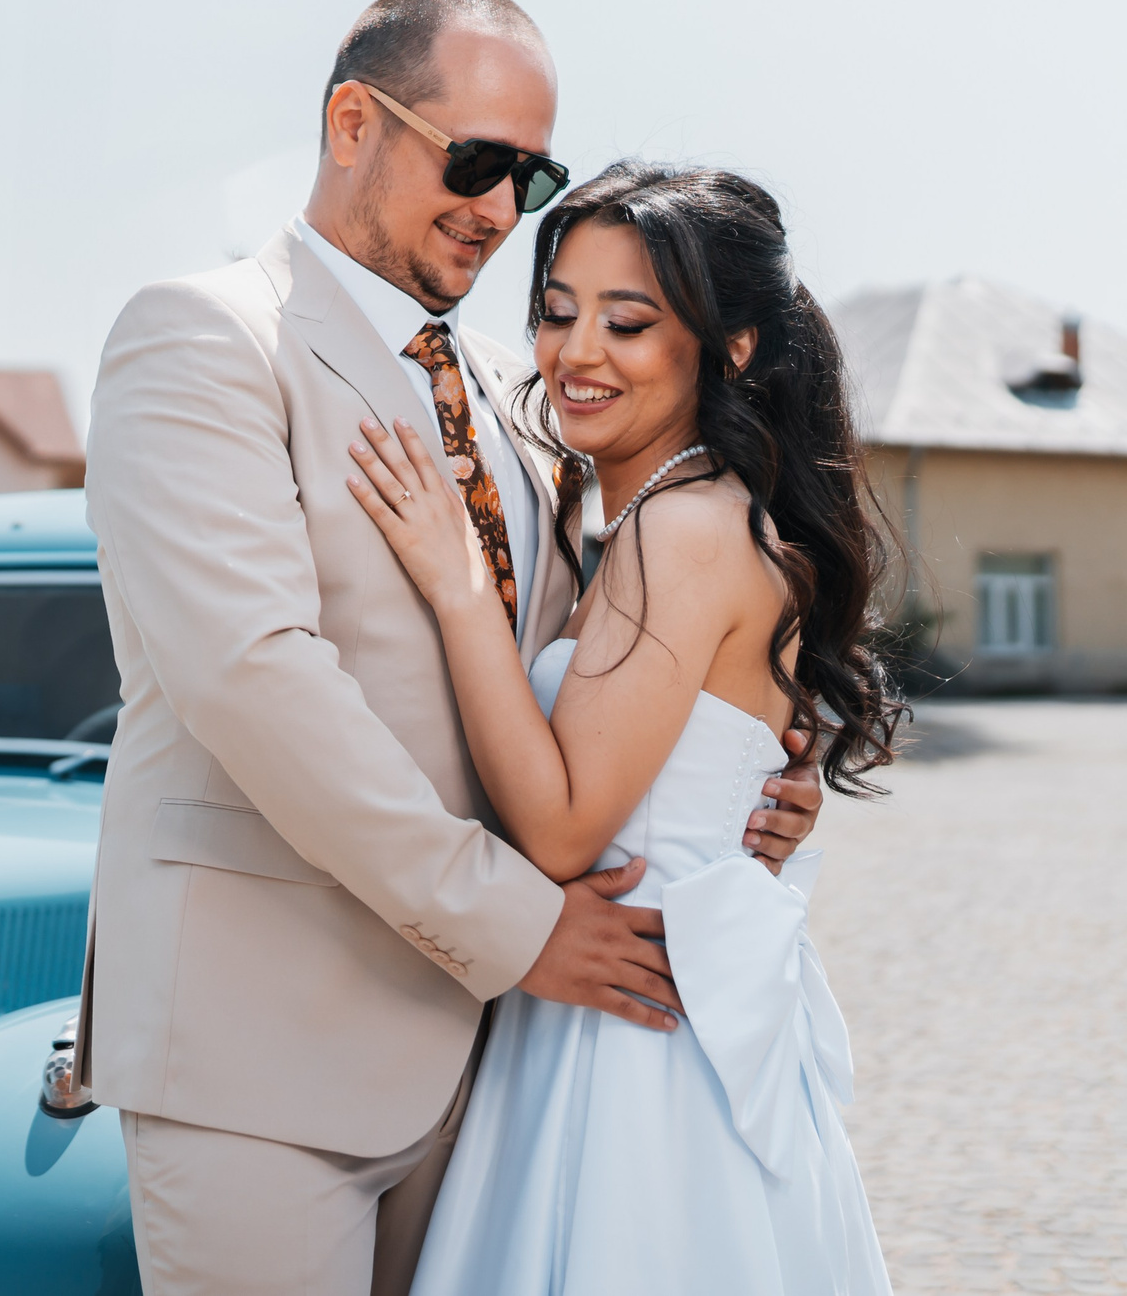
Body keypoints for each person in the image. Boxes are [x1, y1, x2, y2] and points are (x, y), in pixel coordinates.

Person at [79, 0, 827, 1296]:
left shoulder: (512, 393)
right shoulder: (205, 339)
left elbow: (592, 659)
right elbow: (253, 681)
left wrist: (753, 758)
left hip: (492, 1072)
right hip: (264, 1050)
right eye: (474, 160)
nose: (497, 207)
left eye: (528, 177)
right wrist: (521, 926)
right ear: (351, 123)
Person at [347, 161, 898, 1293]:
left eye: (628, 321)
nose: (575, 352)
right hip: (630, 1007)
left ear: (730, 347)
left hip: (629, 1043)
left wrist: (459, 586)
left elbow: (561, 831)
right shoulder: (668, 514)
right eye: (557, 312)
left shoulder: (680, 530)